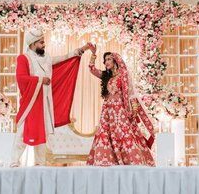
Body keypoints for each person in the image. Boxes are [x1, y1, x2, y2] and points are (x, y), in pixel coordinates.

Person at [14, 29, 92, 166]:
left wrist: (82, 49)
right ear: (32, 44)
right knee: (23, 132)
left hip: (44, 102)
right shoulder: (24, 58)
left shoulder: (46, 58)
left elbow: (63, 58)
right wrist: (40, 80)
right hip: (31, 101)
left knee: (42, 132)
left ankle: (40, 162)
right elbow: (20, 78)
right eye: (41, 42)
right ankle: (13, 161)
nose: (44, 45)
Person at [86, 50, 155, 166]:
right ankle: (107, 161)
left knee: (124, 133)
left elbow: (131, 93)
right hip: (107, 111)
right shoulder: (107, 76)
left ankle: (132, 161)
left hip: (121, 110)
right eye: (105, 60)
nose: (106, 62)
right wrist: (93, 55)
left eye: (108, 59)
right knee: (105, 133)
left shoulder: (124, 75)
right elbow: (92, 69)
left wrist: (134, 108)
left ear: (115, 60)